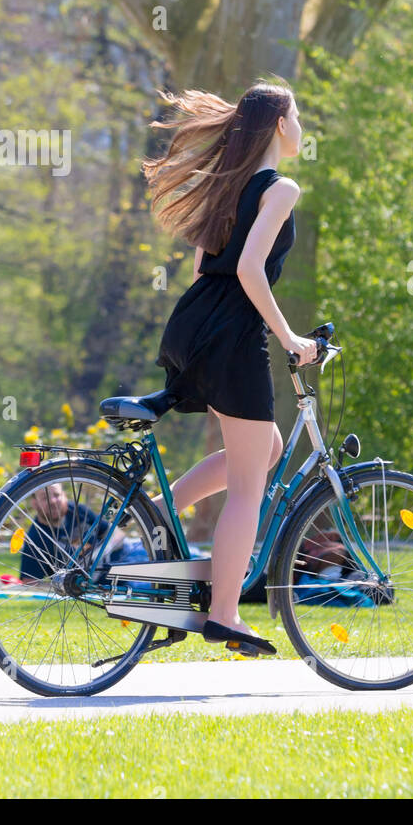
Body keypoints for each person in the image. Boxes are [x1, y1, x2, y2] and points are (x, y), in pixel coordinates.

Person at [141, 81, 319, 654]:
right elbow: (249, 268)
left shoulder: (229, 187)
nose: (300, 125)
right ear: (277, 125)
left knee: (263, 450)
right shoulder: (281, 188)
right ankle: (224, 614)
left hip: (195, 326)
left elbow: (202, 267)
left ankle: (155, 513)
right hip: (233, 336)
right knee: (248, 488)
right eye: (296, 115)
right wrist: (289, 336)